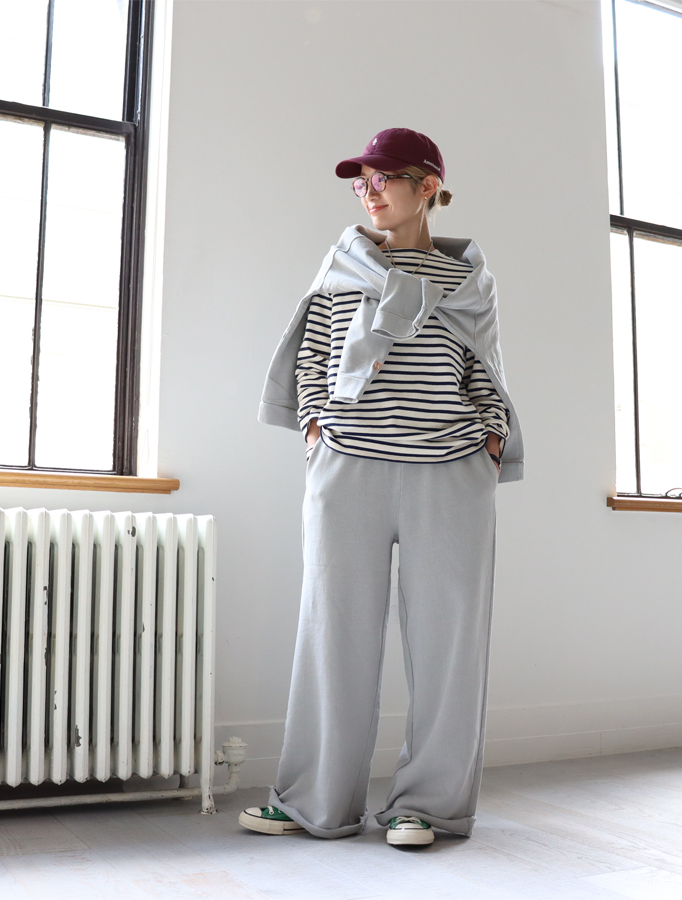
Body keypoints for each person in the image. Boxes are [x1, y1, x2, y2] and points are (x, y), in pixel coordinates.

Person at [244, 127, 524, 847]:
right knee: (331, 634)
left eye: (382, 179)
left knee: (449, 646)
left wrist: (490, 434)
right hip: (349, 468)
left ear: (427, 186)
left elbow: (484, 368)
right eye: (359, 182)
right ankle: (314, 800)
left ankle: (426, 806)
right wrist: (316, 427)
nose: (367, 193)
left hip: (450, 471)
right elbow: (313, 355)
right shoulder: (342, 266)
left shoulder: (471, 283)